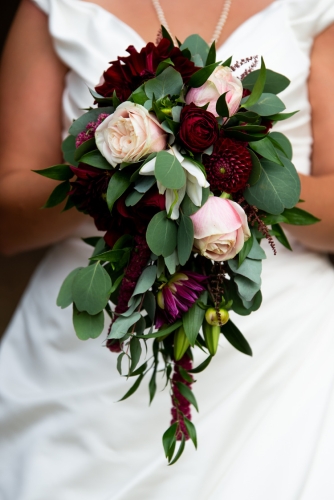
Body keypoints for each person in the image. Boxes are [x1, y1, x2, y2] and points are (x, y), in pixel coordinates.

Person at [0, 0, 334, 498]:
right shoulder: (51, 7)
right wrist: (116, 173)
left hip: (284, 362)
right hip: (87, 362)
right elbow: (8, 219)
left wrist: (233, 166)